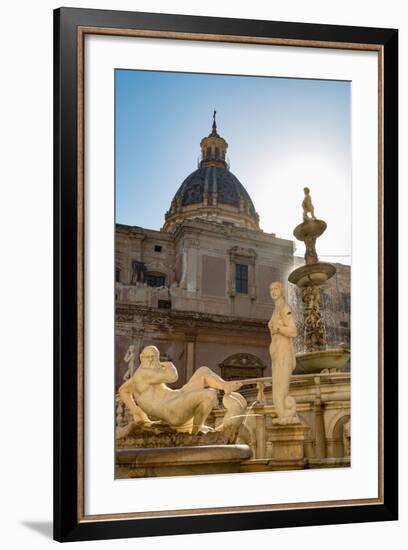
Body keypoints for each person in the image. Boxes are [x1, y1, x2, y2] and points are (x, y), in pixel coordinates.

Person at [119, 345, 242, 434]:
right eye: (148, 357)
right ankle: (196, 432)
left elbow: (123, 390)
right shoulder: (144, 374)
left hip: (175, 399)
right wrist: (168, 364)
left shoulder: (137, 377)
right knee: (209, 394)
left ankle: (224, 385)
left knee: (203, 371)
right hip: (172, 410)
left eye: (154, 357)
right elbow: (173, 377)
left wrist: (136, 411)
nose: (151, 360)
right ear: (141, 357)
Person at [268, 282, 299, 423]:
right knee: (276, 390)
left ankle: (286, 414)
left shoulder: (285, 307)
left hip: (284, 351)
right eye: (271, 290)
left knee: (281, 390)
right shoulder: (276, 309)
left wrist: (279, 328)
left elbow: (293, 331)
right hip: (276, 352)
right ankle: (283, 415)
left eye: (276, 289)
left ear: (282, 291)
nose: (273, 292)